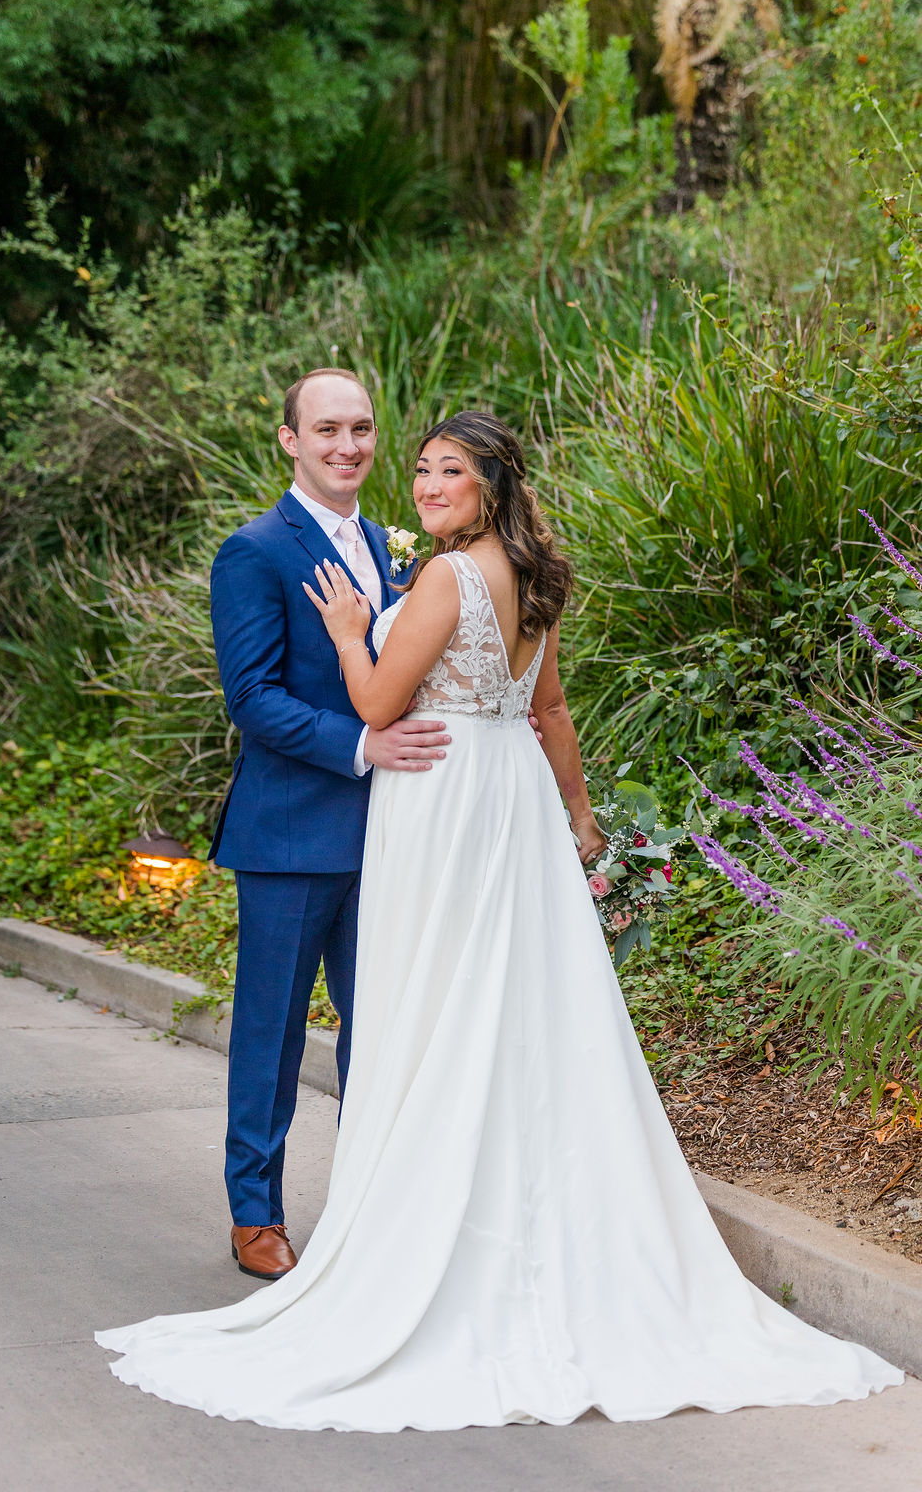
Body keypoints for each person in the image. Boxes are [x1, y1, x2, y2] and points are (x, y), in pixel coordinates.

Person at [98, 412, 901, 1428]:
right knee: (517, 1006)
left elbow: (382, 705)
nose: (427, 484)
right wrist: (580, 819)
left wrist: (352, 637)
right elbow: (550, 710)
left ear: (489, 483)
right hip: (513, 800)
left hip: (443, 802)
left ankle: (429, 1225)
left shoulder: (441, 578)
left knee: (438, 1006)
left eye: (449, 471)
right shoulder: (536, 575)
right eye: (422, 468)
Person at [205, 367, 449, 1281]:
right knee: (270, 1031)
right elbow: (253, 699)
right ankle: (254, 1214)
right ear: (290, 441)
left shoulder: (397, 549)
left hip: (391, 835)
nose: (347, 446)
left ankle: (368, 1204)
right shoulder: (256, 550)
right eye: (327, 430)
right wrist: (364, 747)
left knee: (379, 1026)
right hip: (291, 834)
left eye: (361, 429)